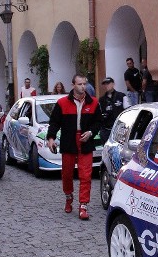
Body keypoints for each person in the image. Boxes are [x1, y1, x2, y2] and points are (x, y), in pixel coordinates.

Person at [46, 75, 100, 221]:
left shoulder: (93, 102)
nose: (83, 87)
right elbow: (54, 123)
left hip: (85, 141)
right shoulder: (62, 103)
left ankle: (83, 205)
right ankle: (68, 196)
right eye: (80, 84)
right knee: (67, 174)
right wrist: (51, 138)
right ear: (73, 85)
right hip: (68, 141)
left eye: (84, 84)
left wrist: (91, 132)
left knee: (86, 175)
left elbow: (98, 122)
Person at [97, 77, 126, 143]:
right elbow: (99, 114)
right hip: (106, 130)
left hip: (119, 129)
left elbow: (128, 110)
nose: (106, 85)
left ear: (113, 84)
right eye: (105, 84)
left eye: (108, 83)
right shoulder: (101, 100)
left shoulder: (122, 96)